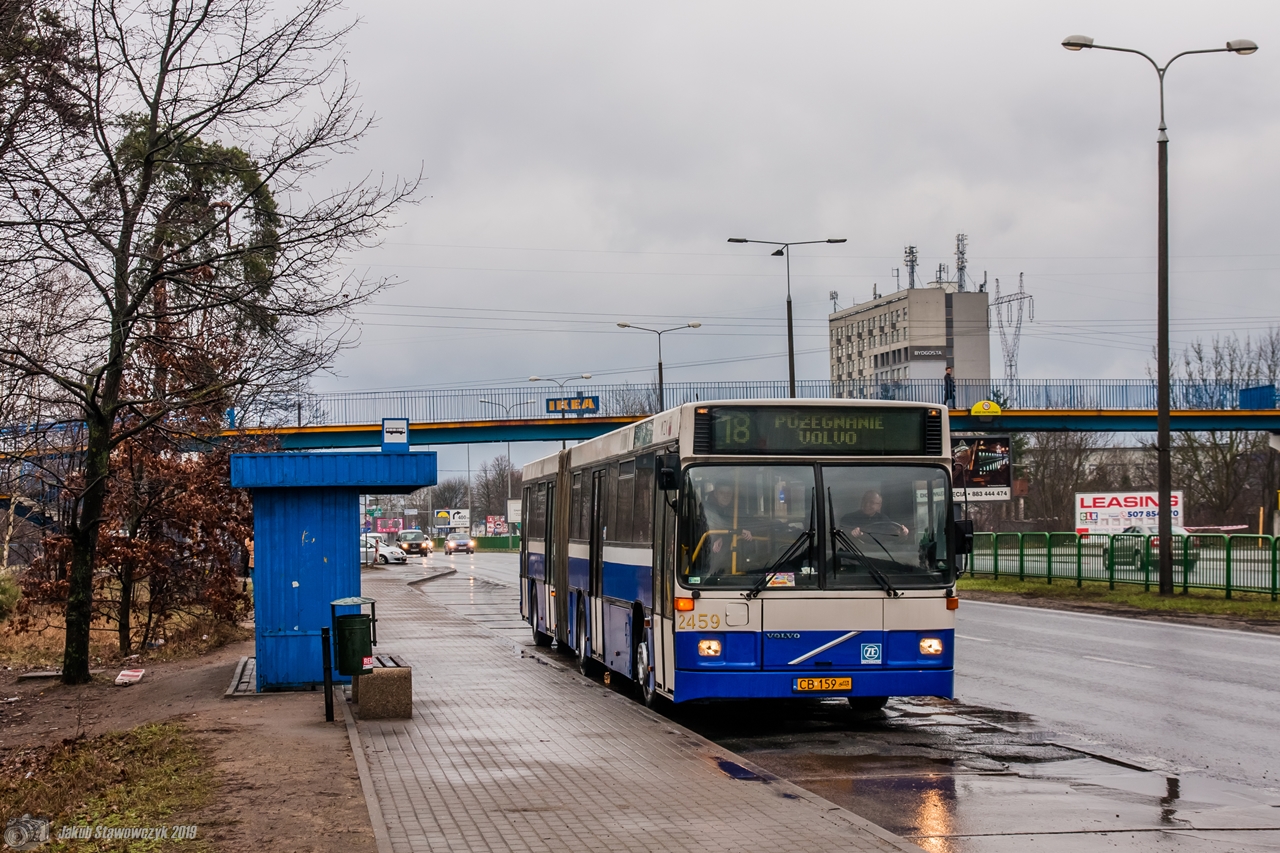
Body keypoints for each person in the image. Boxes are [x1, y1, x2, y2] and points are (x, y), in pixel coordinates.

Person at [841, 490, 908, 537]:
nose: (867, 504)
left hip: (880, 554)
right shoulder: (848, 518)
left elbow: (893, 533)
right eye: (865, 501)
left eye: (871, 502)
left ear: (879, 506)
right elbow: (842, 537)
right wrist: (851, 534)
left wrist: (901, 532)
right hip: (854, 554)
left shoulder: (884, 519)